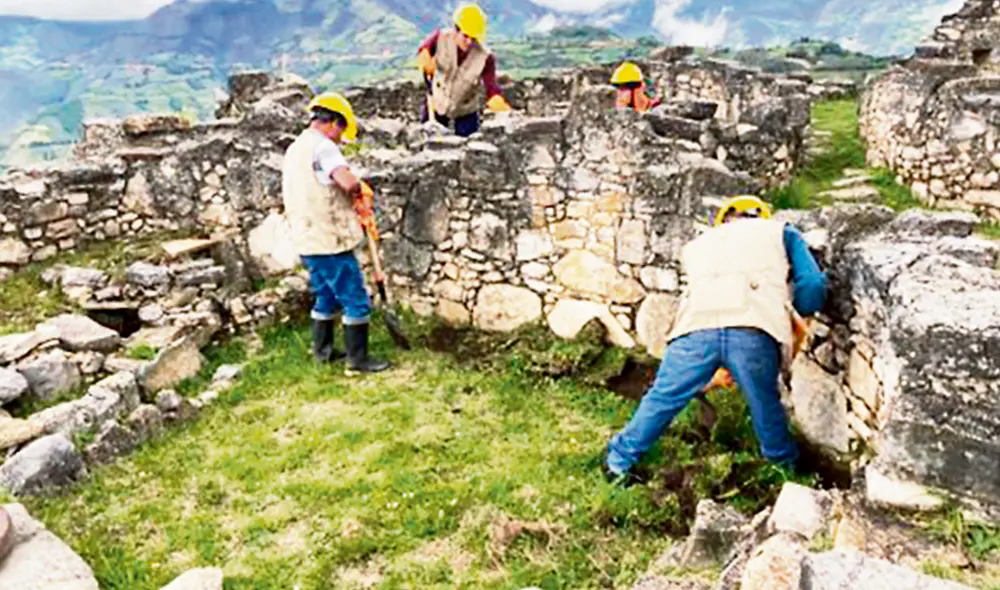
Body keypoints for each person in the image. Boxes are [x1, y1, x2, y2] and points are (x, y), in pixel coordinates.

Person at [602, 195, 828, 487]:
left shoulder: (697, 245)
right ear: (761, 216)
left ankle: (617, 462)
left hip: (694, 328)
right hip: (753, 327)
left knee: (663, 397)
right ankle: (783, 470)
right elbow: (812, 283)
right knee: (765, 403)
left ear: (723, 220)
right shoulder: (781, 232)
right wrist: (804, 311)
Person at [281, 90, 391, 375]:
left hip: (306, 238)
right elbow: (346, 181)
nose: (341, 138)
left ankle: (323, 351)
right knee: (355, 297)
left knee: (326, 295)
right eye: (341, 131)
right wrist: (360, 189)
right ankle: (358, 360)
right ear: (334, 123)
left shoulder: (295, 148)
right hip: (330, 239)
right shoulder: (324, 147)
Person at [416, 3, 512, 137]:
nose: (469, 42)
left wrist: (499, 104)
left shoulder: (485, 57)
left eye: (473, 38)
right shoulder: (440, 38)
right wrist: (426, 61)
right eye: (465, 36)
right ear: (456, 30)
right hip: (437, 104)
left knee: (469, 145)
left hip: (465, 111)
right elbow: (424, 51)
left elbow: (491, 88)